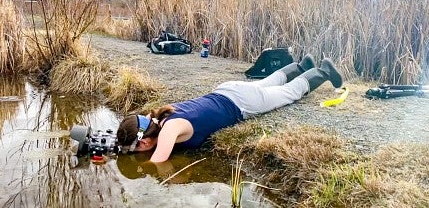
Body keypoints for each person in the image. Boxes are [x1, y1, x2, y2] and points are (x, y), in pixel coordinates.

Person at [116, 54, 343, 163]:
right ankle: (302, 66)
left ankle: (322, 71)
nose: (138, 151)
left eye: (137, 148)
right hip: (226, 90)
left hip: (242, 104)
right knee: (266, 85)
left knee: (287, 94)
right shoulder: (157, 117)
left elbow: (157, 163)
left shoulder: (167, 132)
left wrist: (131, 160)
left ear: (144, 142)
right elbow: (141, 120)